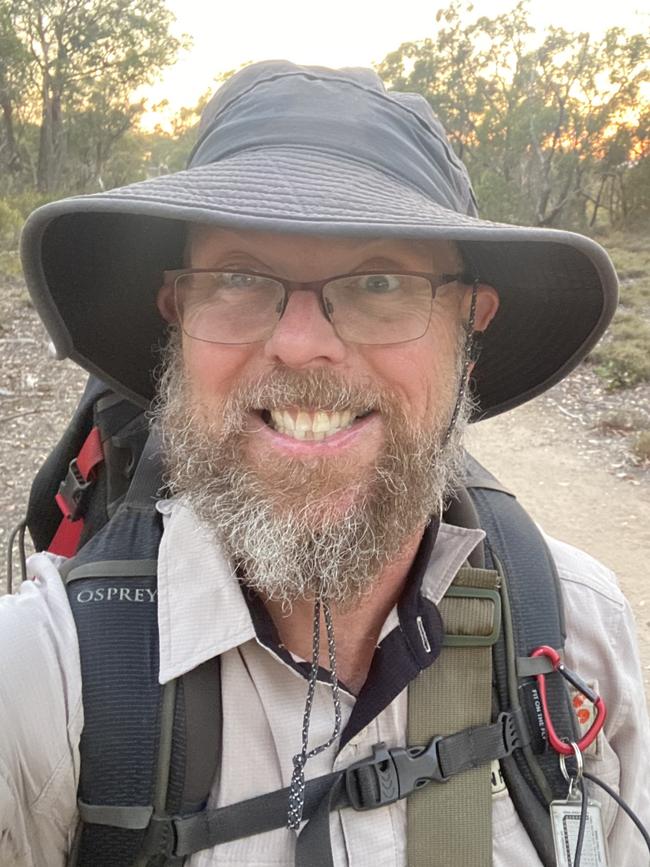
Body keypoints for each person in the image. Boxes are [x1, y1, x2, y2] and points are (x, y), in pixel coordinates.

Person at [2, 59, 649, 866]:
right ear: (177, 318)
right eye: (239, 276)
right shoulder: (40, 686)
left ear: (468, 331)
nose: (302, 342)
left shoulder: (578, 633)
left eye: (380, 280)